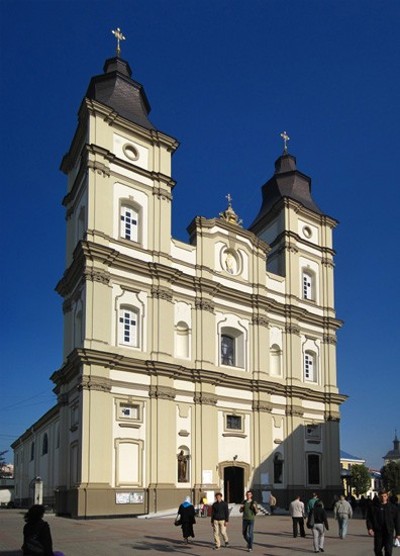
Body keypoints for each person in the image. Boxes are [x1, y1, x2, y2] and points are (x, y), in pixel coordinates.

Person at [366, 489, 400, 556]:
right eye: (381, 496)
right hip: (378, 532)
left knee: (388, 550)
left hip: (389, 532)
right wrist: (370, 528)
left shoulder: (393, 507)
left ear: (387, 496)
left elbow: (397, 521)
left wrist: (398, 533)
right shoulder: (373, 507)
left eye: (384, 496)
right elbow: (369, 519)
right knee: (377, 550)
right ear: (378, 496)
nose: (383, 498)